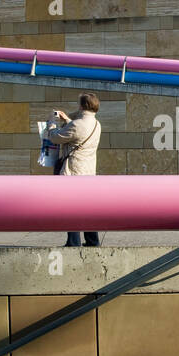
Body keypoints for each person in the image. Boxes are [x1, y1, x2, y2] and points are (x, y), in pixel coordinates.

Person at [48, 92, 102, 247]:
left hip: (73, 172)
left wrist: (51, 123)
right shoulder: (97, 124)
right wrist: (67, 120)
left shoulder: (77, 124)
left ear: (82, 106)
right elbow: (79, 131)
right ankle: (92, 241)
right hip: (88, 171)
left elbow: (55, 137)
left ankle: (73, 242)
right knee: (88, 208)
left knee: (71, 207)